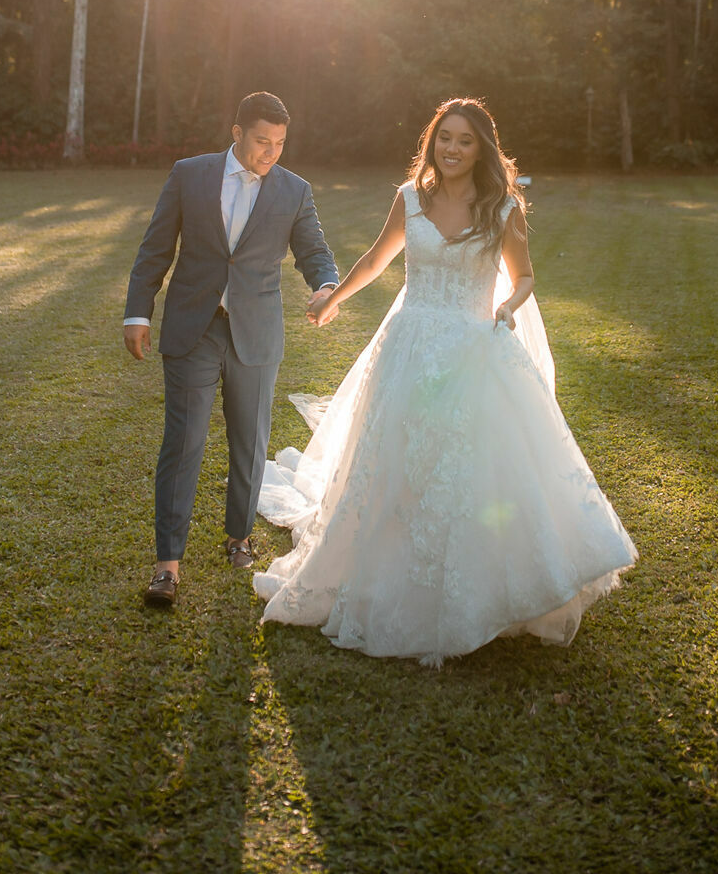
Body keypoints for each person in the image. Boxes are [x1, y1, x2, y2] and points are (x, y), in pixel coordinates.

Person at [253, 97, 637, 666]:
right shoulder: (410, 200)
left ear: (481, 148)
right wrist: (335, 298)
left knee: (471, 465)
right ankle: (388, 569)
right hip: (410, 348)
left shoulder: (502, 208)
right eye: (444, 138)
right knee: (398, 459)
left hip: (475, 350)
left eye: (464, 140)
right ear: (432, 143)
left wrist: (508, 305)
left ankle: (483, 583)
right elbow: (377, 260)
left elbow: (525, 275)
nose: (452, 149)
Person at [124, 92, 338, 606]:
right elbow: (156, 246)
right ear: (237, 132)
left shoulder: (294, 190)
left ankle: (239, 537)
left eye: (281, 143)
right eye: (262, 140)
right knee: (184, 442)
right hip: (192, 330)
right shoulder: (189, 174)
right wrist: (137, 311)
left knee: (250, 441)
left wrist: (326, 284)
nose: (271, 152)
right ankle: (167, 565)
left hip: (256, 332)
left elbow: (313, 248)